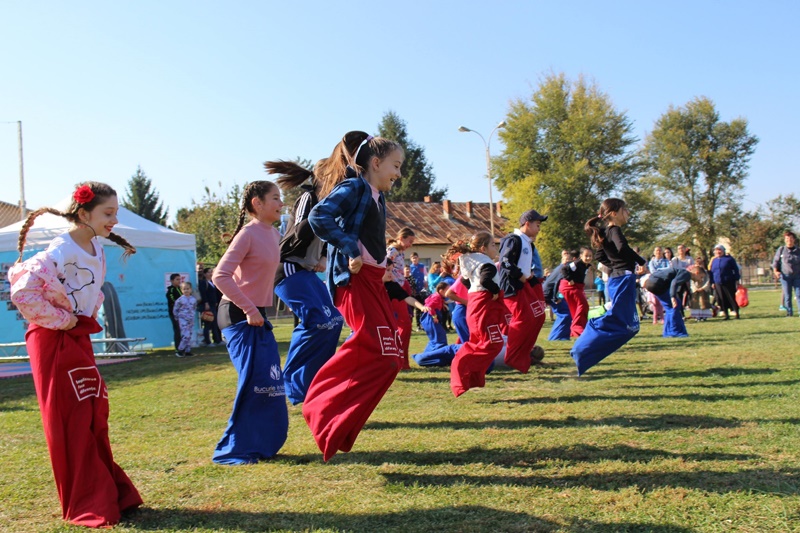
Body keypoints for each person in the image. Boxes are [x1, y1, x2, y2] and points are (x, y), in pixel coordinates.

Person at [8, 182, 142, 527]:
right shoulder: (60, 249)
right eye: (107, 213)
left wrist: (82, 318)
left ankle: (110, 493)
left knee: (93, 414)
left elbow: (91, 292)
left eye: (115, 213)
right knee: (70, 419)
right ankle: (89, 500)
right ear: (84, 214)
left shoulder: (96, 247)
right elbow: (23, 292)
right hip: (53, 339)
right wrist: (64, 320)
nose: (114, 220)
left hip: (76, 335)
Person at [305, 132, 405, 461]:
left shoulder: (377, 195)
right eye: (396, 165)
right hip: (355, 280)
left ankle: (340, 424)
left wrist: (382, 267)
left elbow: (371, 237)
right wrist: (350, 248)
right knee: (375, 348)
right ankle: (318, 406)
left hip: (374, 279)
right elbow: (319, 217)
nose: (399, 173)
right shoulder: (355, 188)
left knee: (391, 359)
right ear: (375, 163)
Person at [211, 180, 289, 465]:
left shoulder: (274, 233)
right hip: (238, 314)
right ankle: (234, 449)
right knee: (254, 383)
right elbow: (220, 276)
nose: (281, 203)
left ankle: (263, 443)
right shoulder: (248, 234)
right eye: (275, 198)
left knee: (269, 382)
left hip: (258, 315)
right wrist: (248, 309)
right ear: (257, 203)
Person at [265, 158, 345, 405]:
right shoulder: (309, 198)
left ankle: (315, 381)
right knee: (318, 321)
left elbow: (325, 237)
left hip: (305, 269)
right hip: (289, 265)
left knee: (334, 320)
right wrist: (322, 216)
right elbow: (299, 231)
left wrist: (321, 255)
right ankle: (291, 383)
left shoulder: (328, 204)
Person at [571, 198, 647, 375]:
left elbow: (600, 255)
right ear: (614, 213)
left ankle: (584, 353)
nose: (628, 213)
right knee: (624, 325)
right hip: (622, 279)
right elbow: (622, 248)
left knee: (629, 327)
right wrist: (640, 260)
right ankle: (583, 347)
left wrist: (615, 266)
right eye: (625, 210)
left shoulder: (606, 232)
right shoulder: (614, 230)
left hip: (618, 278)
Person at [449, 231, 505, 397]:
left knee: (482, 341)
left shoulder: (472, 263)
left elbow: (466, 281)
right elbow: (485, 281)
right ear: (483, 248)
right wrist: (494, 291)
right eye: (493, 245)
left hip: (476, 306)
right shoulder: (487, 264)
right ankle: (461, 364)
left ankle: (472, 378)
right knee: (492, 343)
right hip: (484, 307)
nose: (496, 248)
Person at [497, 209, 548, 373]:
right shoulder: (514, 239)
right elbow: (505, 262)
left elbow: (525, 267)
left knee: (539, 315)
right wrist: (521, 277)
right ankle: (512, 357)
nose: (539, 229)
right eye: (537, 225)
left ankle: (524, 354)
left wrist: (533, 280)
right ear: (527, 224)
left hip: (524, 284)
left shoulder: (528, 243)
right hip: (513, 287)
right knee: (522, 320)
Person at [639, 266, 701, 337]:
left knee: (670, 307)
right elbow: (674, 283)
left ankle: (667, 332)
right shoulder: (686, 274)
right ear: (697, 273)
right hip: (657, 283)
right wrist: (672, 297)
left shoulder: (681, 271)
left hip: (650, 283)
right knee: (674, 306)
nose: (701, 280)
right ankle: (674, 331)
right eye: (701, 277)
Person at [412, 281, 462, 367]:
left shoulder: (439, 297)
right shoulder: (436, 297)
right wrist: (434, 316)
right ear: (441, 291)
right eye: (448, 289)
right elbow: (429, 306)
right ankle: (438, 358)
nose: (450, 291)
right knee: (439, 338)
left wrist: (444, 305)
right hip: (430, 317)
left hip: (429, 318)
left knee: (435, 339)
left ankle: (426, 356)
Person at [386, 227, 416, 368]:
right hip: (393, 289)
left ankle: (401, 360)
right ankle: (399, 359)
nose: (411, 244)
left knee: (404, 324)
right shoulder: (392, 251)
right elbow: (384, 266)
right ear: (402, 237)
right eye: (409, 241)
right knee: (403, 324)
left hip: (400, 287)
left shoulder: (400, 252)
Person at [559, 247, 593, 338]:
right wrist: (569, 279)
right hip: (569, 287)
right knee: (583, 305)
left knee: (577, 308)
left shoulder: (586, 265)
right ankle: (577, 327)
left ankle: (578, 329)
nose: (588, 258)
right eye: (586, 256)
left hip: (577, 287)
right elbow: (564, 269)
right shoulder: (577, 263)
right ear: (581, 256)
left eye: (590, 256)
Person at [543, 250, 572, 341]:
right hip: (549, 294)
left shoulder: (561, 267)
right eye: (565, 259)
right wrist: (555, 298)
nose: (567, 261)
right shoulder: (562, 269)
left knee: (566, 313)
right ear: (562, 260)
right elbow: (556, 283)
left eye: (569, 259)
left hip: (549, 293)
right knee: (565, 314)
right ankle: (556, 337)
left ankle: (563, 336)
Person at [708, 244, 741, 320]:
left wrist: (736, 279)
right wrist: (712, 282)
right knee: (722, 299)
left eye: (720, 250)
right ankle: (726, 314)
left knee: (731, 298)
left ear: (723, 251)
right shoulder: (714, 260)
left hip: (728, 281)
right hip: (718, 282)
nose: (718, 252)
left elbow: (735, 270)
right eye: (716, 250)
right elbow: (712, 272)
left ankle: (736, 313)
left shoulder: (729, 259)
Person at [773, 230, 800, 317]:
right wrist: (776, 271)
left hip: (797, 276)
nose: (789, 240)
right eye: (787, 239)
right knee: (787, 295)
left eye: (791, 238)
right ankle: (789, 313)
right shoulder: (781, 250)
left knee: (799, 294)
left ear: (794, 239)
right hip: (785, 276)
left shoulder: (798, 250)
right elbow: (775, 262)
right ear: (785, 240)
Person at [198, 267, 223, 346]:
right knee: (208, 323)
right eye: (208, 272)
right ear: (205, 274)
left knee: (215, 323)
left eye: (211, 272)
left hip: (214, 305)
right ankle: (207, 341)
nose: (210, 273)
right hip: (208, 305)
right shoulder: (203, 282)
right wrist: (206, 303)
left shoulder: (212, 282)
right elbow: (203, 293)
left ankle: (217, 340)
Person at [172, 281, 198, 357]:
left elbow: (194, 308)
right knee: (185, 335)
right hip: (183, 319)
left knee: (189, 335)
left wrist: (192, 316)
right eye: (184, 289)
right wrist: (177, 317)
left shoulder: (193, 299)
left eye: (188, 289)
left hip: (191, 319)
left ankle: (187, 351)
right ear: (181, 290)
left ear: (191, 289)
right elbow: (175, 309)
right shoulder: (180, 300)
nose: (186, 290)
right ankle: (180, 350)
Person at [409, 252, 428, 329]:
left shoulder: (422, 266)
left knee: (421, 307)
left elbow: (426, 275)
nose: (415, 259)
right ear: (411, 259)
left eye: (416, 257)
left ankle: (420, 324)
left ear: (418, 258)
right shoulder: (410, 267)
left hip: (422, 289)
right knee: (412, 308)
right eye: (413, 258)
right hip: (413, 289)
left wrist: (426, 281)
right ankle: (412, 325)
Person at [166, 272, 182, 349]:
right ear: (172, 281)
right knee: (177, 330)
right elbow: (174, 301)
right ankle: (178, 348)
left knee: (184, 331)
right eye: (177, 279)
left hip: (183, 314)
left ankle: (184, 348)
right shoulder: (171, 290)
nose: (179, 281)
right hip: (175, 314)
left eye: (180, 279)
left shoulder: (181, 289)